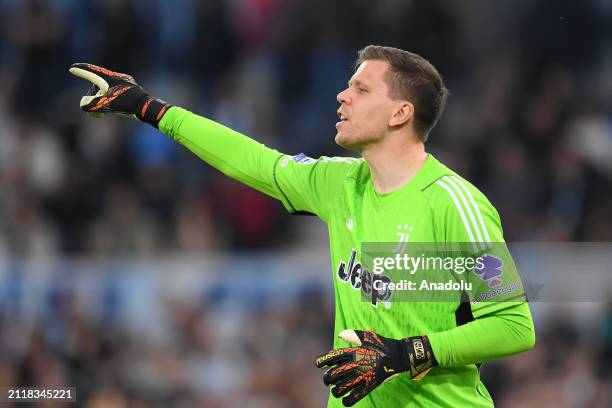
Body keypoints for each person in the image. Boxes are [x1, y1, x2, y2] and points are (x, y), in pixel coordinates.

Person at [69, 45, 535, 407]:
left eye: (361, 89)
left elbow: (514, 327)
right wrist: (150, 108)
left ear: (400, 113)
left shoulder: (454, 203)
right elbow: (254, 161)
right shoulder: (339, 184)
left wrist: (404, 353)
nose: (342, 95)